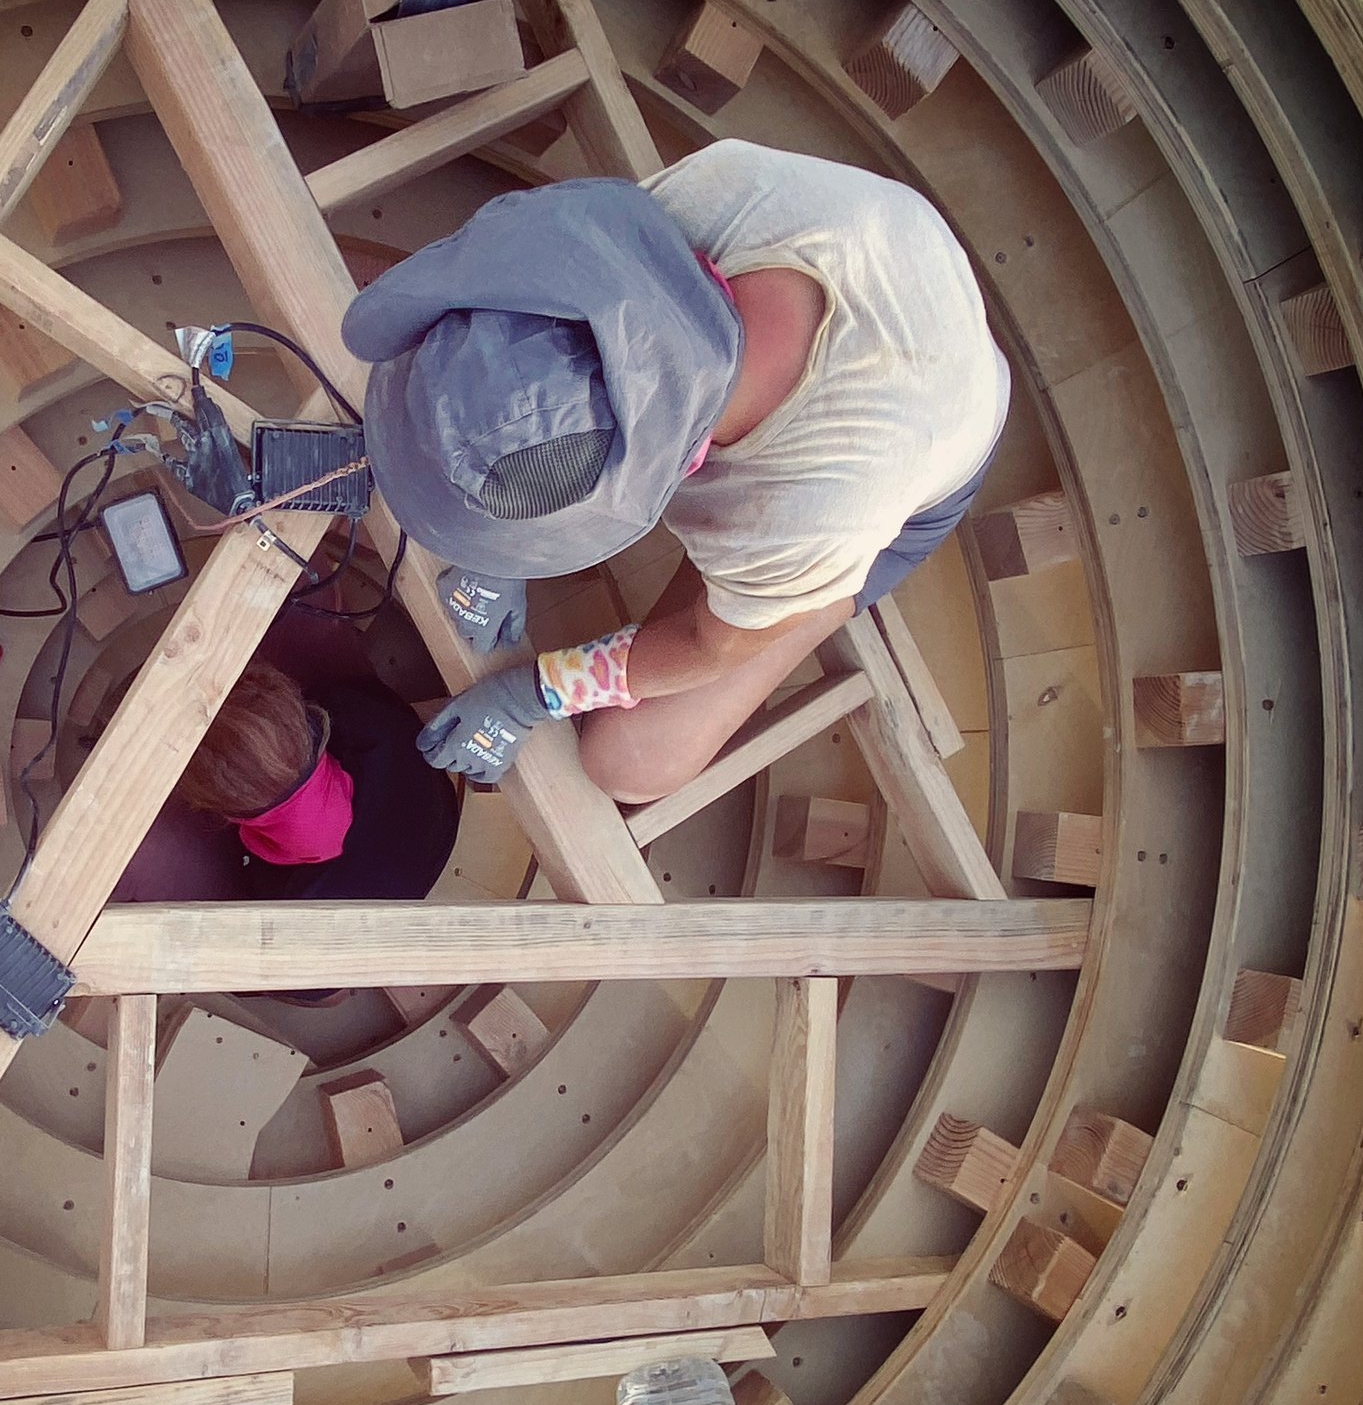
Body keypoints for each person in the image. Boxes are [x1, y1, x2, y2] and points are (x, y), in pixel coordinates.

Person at [344, 140, 1011, 804]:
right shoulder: (703, 203)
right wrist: (505, 543)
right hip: (908, 292)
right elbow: (550, 367)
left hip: (922, 473)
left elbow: (707, 643)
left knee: (629, 761)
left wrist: (537, 692)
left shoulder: (805, 520)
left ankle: (804, 606)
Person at [109, 635, 460, 906]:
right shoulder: (364, 717)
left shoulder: (293, 898)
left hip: (361, 892)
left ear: (224, 812)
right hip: (437, 822)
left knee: (142, 855)